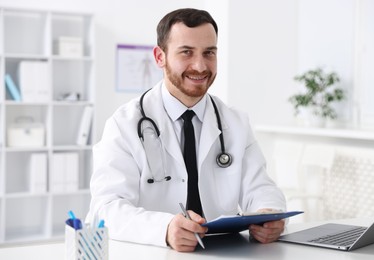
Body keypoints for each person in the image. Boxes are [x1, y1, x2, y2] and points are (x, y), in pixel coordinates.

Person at [87, 8, 286, 252]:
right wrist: (165, 228)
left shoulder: (235, 123)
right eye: (186, 52)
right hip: (154, 252)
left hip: (227, 252)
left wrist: (269, 214)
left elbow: (261, 188)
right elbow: (105, 209)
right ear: (160, 57)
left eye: (209, 53)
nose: (200, 66)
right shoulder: (124, 124)